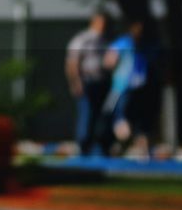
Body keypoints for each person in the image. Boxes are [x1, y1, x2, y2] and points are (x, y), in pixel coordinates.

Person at [103, 17, 157, 158]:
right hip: (132, 86)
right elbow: (109, 61)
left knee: (124, 119)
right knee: (130, 121)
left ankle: (127, 145)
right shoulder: (134, 44)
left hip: (131, 87)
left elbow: (109, 61)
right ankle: (130, 146)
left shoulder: (133, 44)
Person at [65, 11, 111, 156]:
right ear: (94, 22)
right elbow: (72, 63)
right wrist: (76, 83)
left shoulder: (105, 41)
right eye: (101, 22)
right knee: (87, 114)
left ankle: (100, 146)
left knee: (101, 115)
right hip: (87, 81)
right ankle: (83, 147)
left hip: (102, 82)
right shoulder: (82, 39)